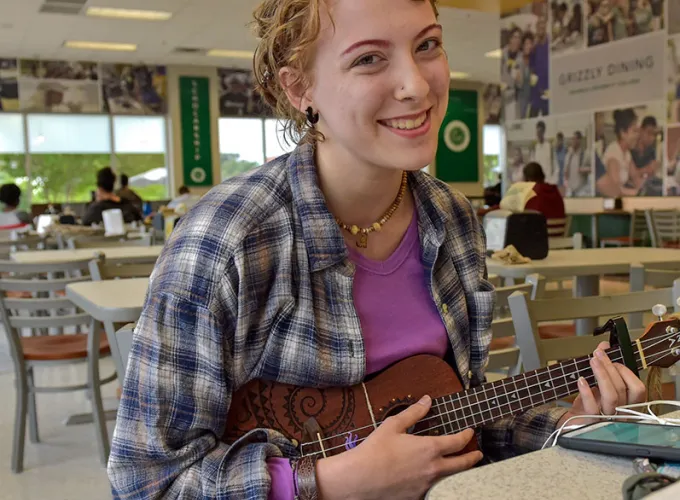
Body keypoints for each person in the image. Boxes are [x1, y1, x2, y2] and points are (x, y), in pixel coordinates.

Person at [107, 1, 647, 498]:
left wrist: (567, 424)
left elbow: (461, 416)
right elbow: (147, 481)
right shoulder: (228, 240)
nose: (416, 85)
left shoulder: (453, 220)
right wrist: (333, 481)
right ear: (301, 89)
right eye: (368, 59)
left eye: (427, 45)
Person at [597, 108, 642, 197]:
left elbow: (636, 177)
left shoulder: (627, 154)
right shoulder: (614, 153)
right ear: (623, 133)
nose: (637, 136)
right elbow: (615, 190)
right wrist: (637, 192)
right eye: (634, 131)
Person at [522, 162, 567, 235]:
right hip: (559, 236)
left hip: (539, 238)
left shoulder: (531, 193)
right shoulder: (555, 191)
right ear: (543, 176)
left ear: (527, 179)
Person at [529, 16, 549, 117]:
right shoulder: (534, 47)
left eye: (543, 24)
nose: (541, 27)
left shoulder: (550, 44)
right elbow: (531, 68)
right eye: (539, 25)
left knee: (547, 116)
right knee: (532, 117)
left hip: (548, 89)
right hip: (536, 90)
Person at [501, 26, 522, 121]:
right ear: (510, 39)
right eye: (514, 37)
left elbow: (520, 83)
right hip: (501, 94)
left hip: (512, 97)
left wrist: (518, 79)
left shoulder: (520, 59)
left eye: (519, 38)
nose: (516, 40)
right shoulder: (503, 54)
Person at [564, 131, 592, 197]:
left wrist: (585, 169)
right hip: (570, 190)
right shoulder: (568, 155)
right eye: (572, 139)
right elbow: (566, 171)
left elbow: (594, 168)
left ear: (579, 140)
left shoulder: (586, 154)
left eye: (575, 139)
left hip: (581, 191)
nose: (573, 141)